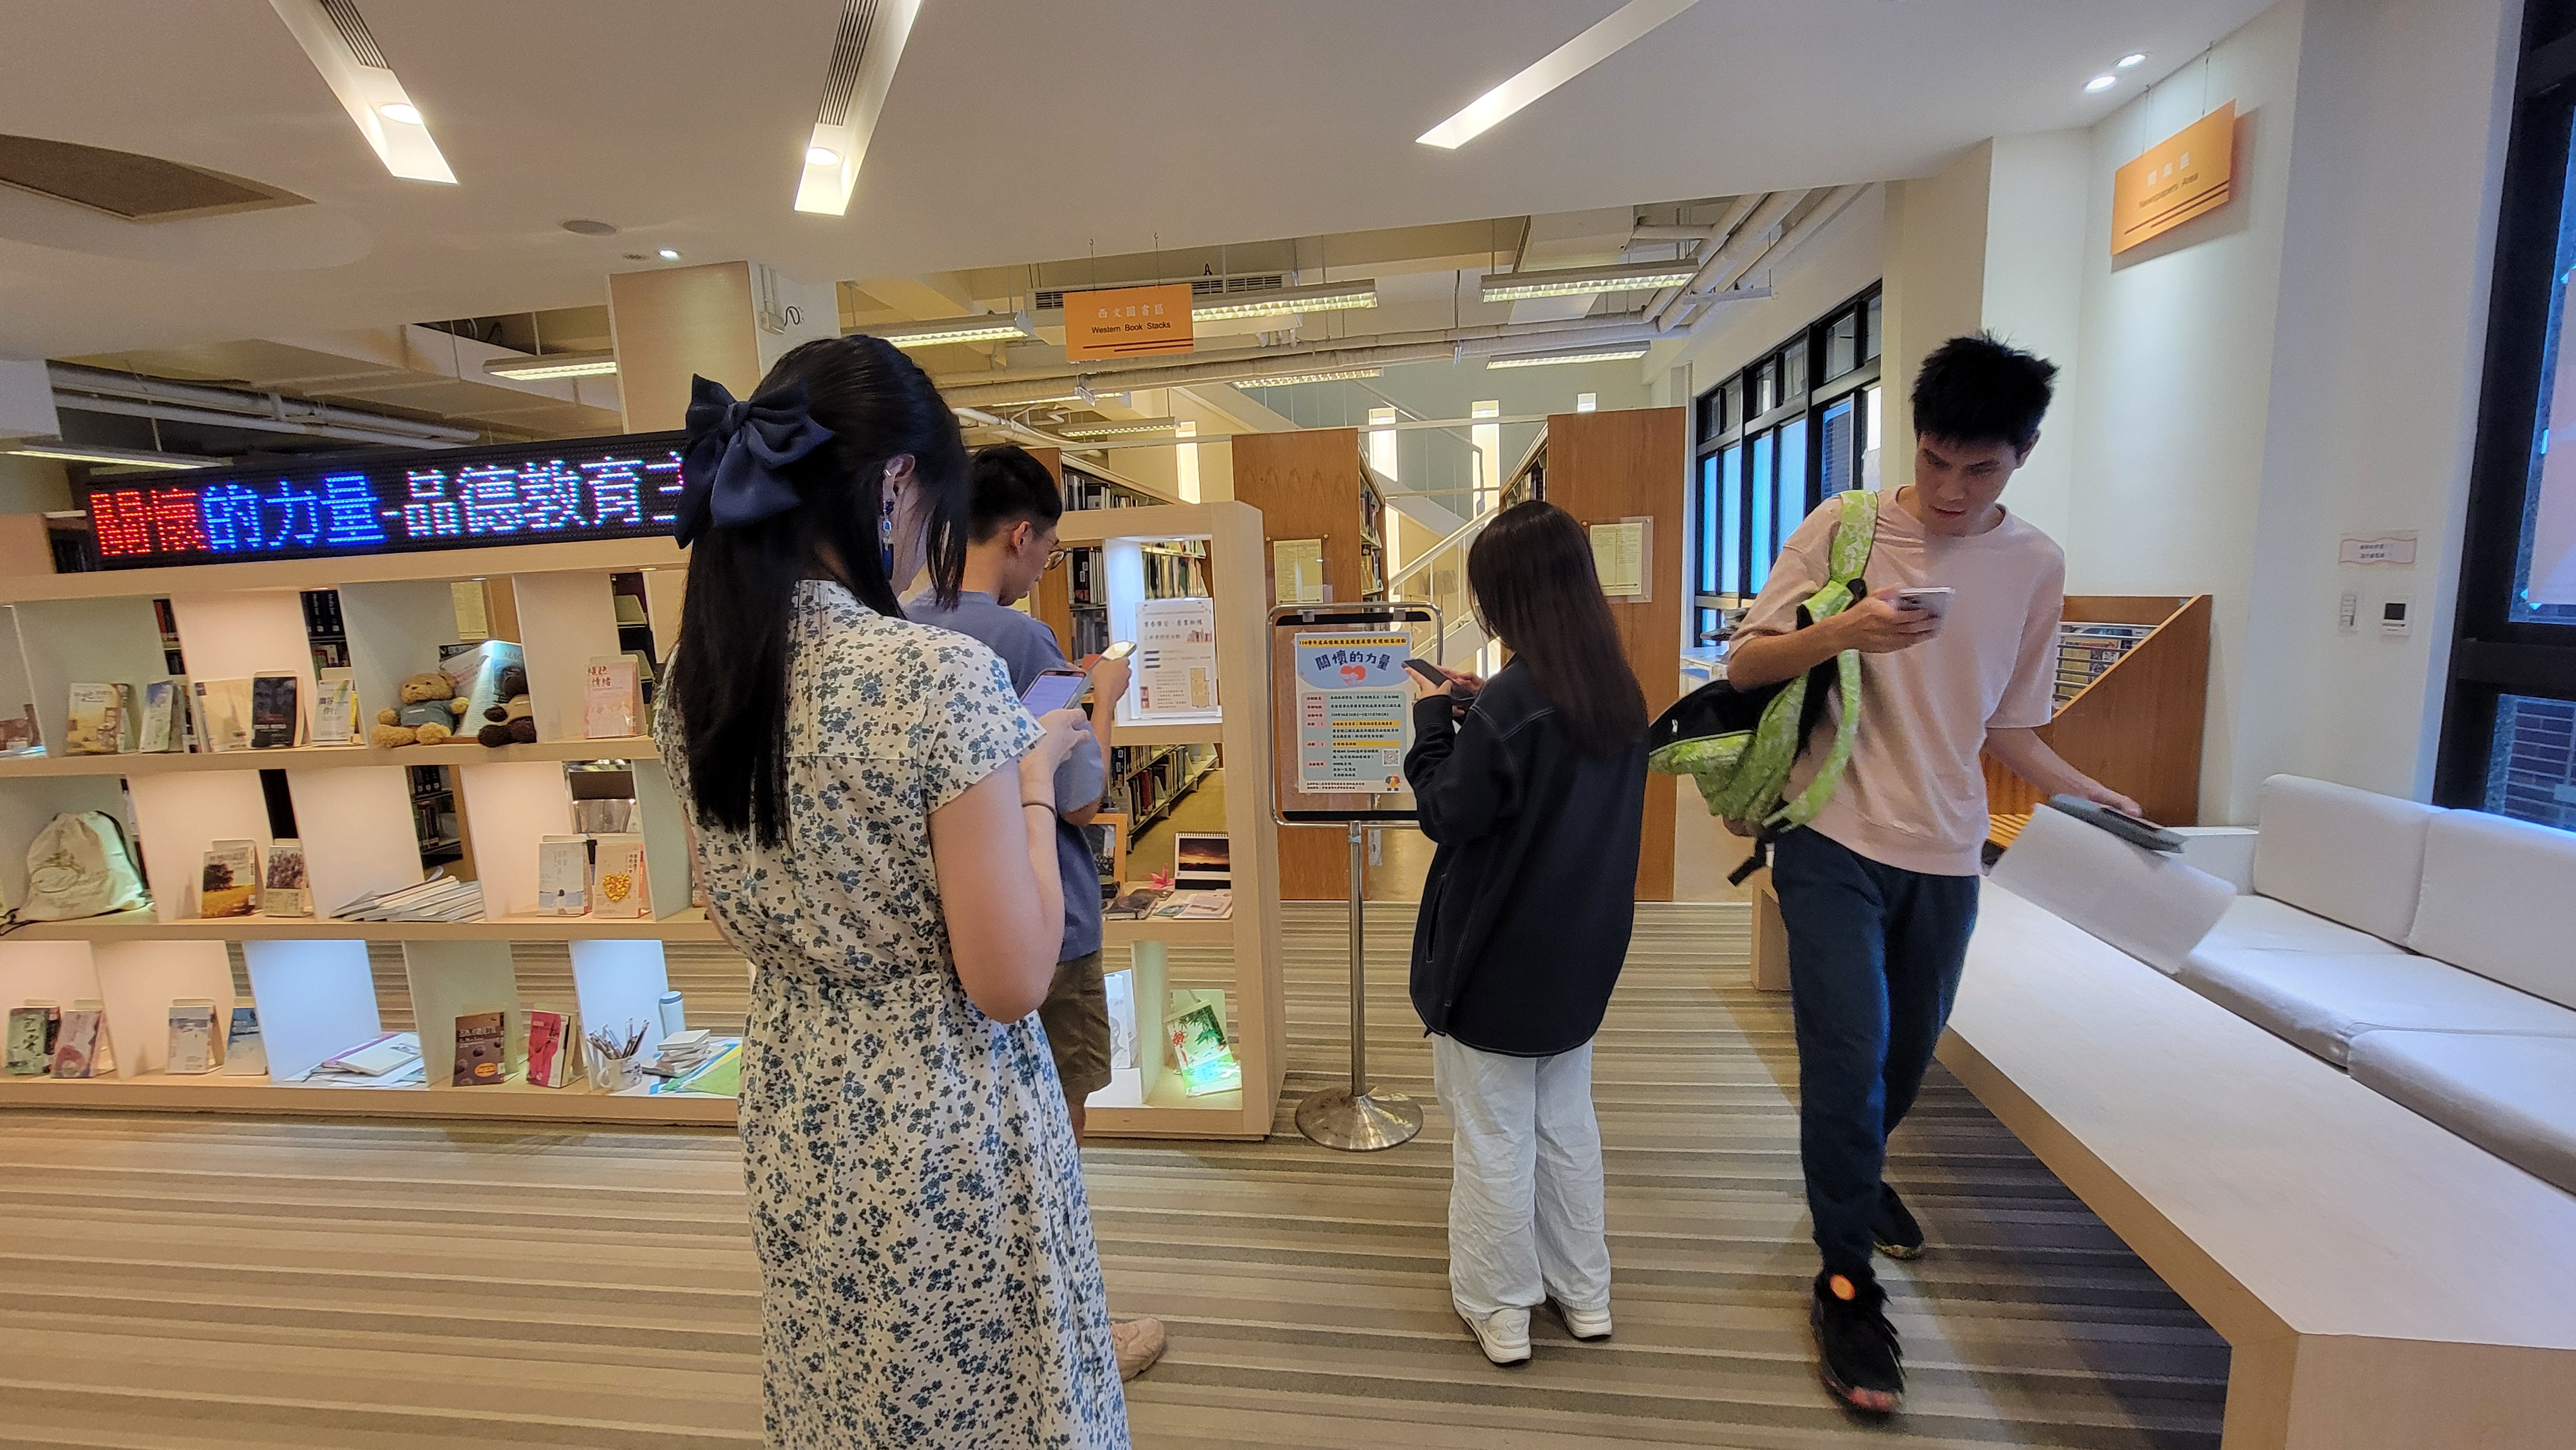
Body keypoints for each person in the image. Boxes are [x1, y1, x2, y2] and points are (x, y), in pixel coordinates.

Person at [653, 336, 1129, 1449]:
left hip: (795, 1085)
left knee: (848, 1382)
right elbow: (1010, 980)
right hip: (939, 1104)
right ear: (897, 482)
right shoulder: (934, 676)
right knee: (988, 1393)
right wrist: (1030, 776)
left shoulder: (695, 675)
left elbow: (724, 905)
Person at [1725, 333, 2140, 1416]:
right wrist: (1843, 631)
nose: (1953, 490)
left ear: (2023, 454)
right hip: (1828, 832)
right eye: (1937, 460)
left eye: (1981, 469)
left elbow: (2013, 729)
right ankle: (1846, 1285)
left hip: (1947, 853)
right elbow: (1748, 663)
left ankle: (1857, 1175)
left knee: (1903, 1062)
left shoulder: (2035, 565)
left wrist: (2087, 793)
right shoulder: (1846, 527)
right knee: (1846, 1055)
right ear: (1915, 439)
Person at [904, 443, 1164, 1379]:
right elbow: (1083, 796)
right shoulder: (1023, 643)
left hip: (944, 932)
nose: (1045, 566)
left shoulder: (899, 627)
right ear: (1020, 536)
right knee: (1057, 1136)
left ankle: (985, 1321)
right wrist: (1106, 698)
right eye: (1049, 550)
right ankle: (1071, 1332)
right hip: (1042, 927)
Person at [1403, 500, 1650, 1368]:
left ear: (1507, 598)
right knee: (1565, 1125)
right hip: (1582, 952)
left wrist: (1433, 724)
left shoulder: (1515, 699)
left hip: (1498, 958)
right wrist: (1481, 711)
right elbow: (1543, 769)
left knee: (1494, 1136)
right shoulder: (1614, 686)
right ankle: (1585, 1293)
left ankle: (1501, 1308)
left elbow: (1448, 811)